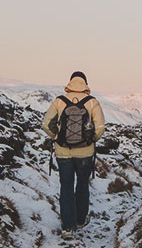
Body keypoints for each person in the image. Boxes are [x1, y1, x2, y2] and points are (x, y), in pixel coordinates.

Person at [42, 71, 105, 237]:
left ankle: (68, 227)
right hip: (85, 153)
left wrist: (57, 137)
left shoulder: (59, 101)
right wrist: (90, 141)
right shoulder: (92, 102)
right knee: (83, 184)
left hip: (63, 152)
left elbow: (46, 124)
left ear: (70, 83)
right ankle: (80, 220)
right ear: (85, 83)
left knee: (66, 186)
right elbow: (100, 128)